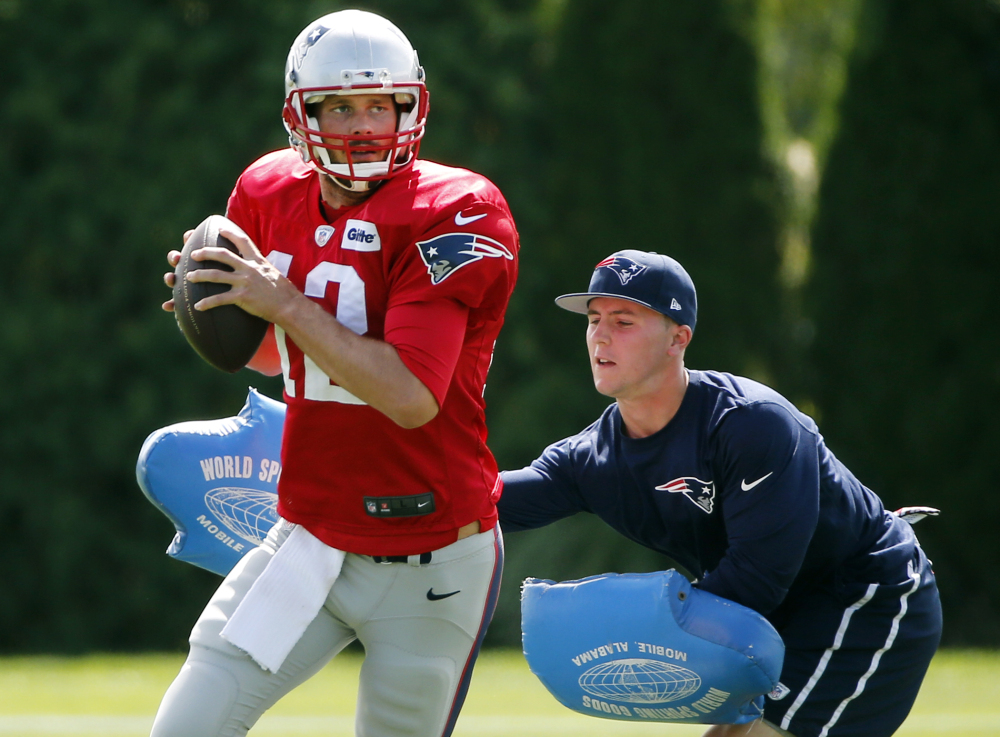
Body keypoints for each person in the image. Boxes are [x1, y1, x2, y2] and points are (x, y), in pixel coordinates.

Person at [153, 10, 518, 737]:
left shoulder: (455, 211)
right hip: (310, 538)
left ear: (410, 106)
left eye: (379, 105)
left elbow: (411, 395)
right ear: (300, 113)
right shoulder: (266, 192)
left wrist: (280, 300)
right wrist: (222, 309)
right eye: (339, 106)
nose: (361, 125)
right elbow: (290, 361)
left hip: (432, 560)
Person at [497, 250, 941, 737]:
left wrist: (642, 635)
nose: (600, 335)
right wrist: (407, 494)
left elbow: (758, 577)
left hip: (865, 594)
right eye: (594, 318)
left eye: (624, 321)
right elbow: (487, 504)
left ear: (678, 338)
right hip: (776, 618)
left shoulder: (751, 424)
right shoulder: (593, 456)